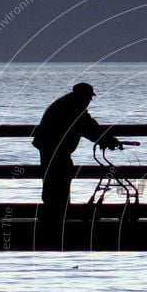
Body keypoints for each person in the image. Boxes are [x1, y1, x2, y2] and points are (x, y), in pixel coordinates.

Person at [32, 82, 121, 214]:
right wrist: (108, 140)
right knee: (59, 180)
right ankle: (57, 214)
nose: (89, 101)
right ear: (83, 96)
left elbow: (88, 127)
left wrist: (104, 139)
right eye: (89, 98)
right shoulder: (74, 107)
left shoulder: (66, 102)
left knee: (53, 181)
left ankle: (53, 212)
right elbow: (88, 127)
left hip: (48, 146)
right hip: (55, 148)